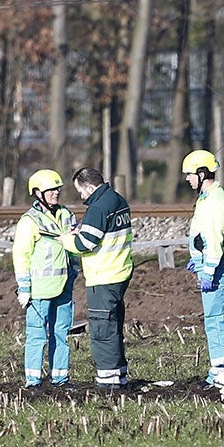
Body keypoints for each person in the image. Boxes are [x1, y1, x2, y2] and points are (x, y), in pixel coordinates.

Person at [67, 166, 134, 389]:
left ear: (89, 186)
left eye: (81, 192)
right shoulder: (118, 199)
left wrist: (66, 240)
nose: (81, 197)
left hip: (103, 276)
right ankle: (119, 375)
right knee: (114, 327)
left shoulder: (97, 207)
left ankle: (108, 381)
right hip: (120, 272)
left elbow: (84, 244)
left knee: (102, 329)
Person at [12, 169, 78, 390]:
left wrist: (74, 271)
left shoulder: (67, 215)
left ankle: (60, 379)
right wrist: (24, 288)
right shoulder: (29, 221)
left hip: (63, 287)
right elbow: (21, 255)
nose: (56, 193)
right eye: (51, 190)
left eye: (57, 189)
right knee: (37, 336)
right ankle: (33, 382)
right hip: (39, 291)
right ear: (37, 192)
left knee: (61, 334)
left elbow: (73, 247)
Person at [182, 149, 224, 382]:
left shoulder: (214, 200)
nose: (187, 179)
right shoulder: (206, 197)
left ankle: (221, 370)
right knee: (214, 316)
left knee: (215, 317)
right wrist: (196, 260)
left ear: (202, 173)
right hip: (208, 263)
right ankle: (223, 365)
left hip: (216, 265)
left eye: (190, 174)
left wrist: (209, 271)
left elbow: (214, 239)